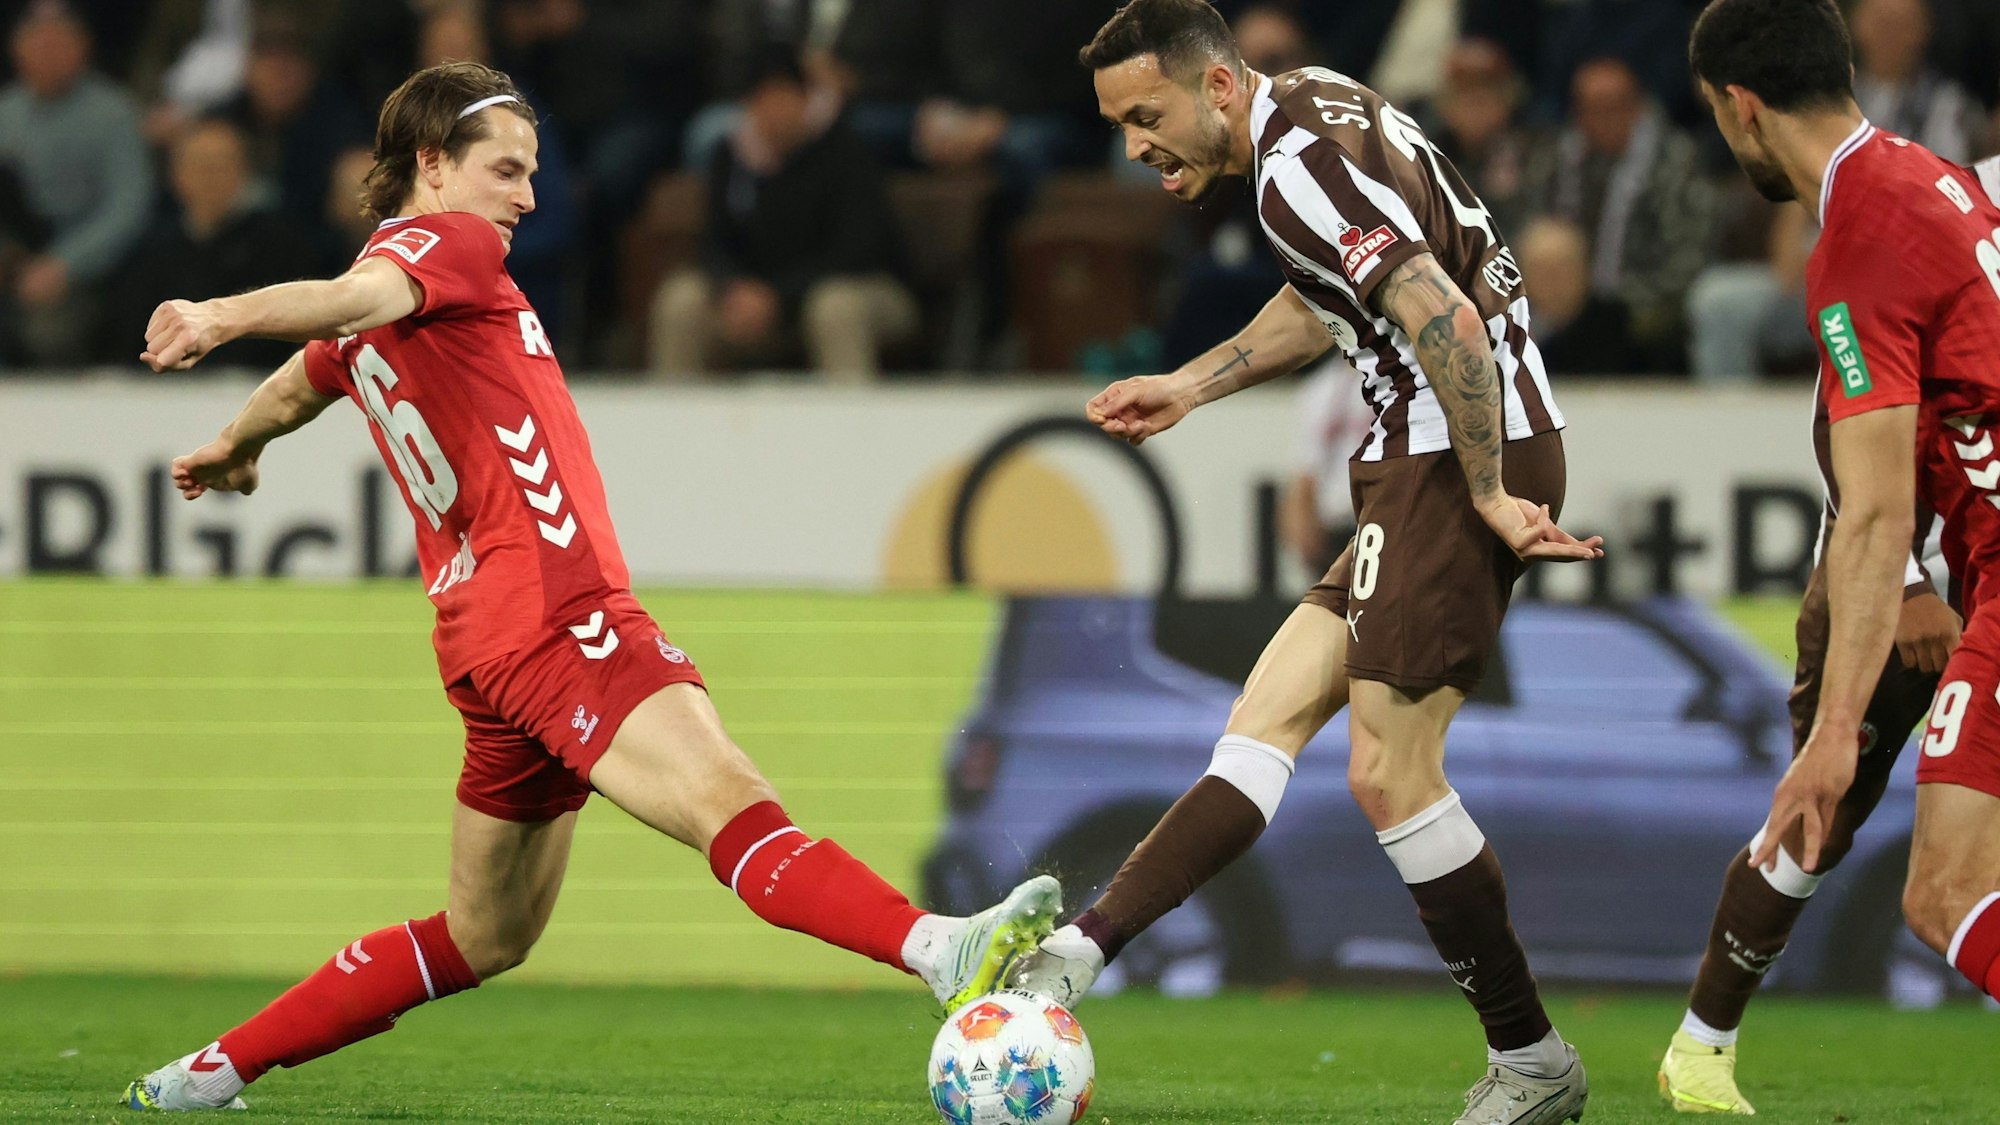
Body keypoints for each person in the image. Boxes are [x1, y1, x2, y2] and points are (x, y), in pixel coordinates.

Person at [119, 60, 1059, 1113]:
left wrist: (235, 442)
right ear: (432, 166)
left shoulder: (387, 310)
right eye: (505, 170)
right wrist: (217, 313)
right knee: (730, 805)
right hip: (559, 613)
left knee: (486, 934)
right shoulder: (446, 247)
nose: (525, 197)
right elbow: (345, 299)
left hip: (484, 646)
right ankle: (937, 946)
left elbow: (313, 368)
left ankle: (210, 1072)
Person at [1009, 4, 1604, 1124]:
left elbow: (1449, 325)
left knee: (1388, 773)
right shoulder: (1312, 109)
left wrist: (1483, 494)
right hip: (1416, 452)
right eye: (1116, 123)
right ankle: (1080, 957)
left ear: (1218, 89)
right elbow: (1332, 290)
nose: (1134, 145)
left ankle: (1530, 1063)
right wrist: (1191, 383)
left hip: (1450, 448)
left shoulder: (1290, 175)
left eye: (1148, 115)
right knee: (1262, 723)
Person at [1661, 0, 2000, 1113]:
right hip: (1930, 562)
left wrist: (1841, 725)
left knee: (1925, 875)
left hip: (1963, 564)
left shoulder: (1860, 232)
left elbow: (1870, 508)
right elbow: (1854, 438)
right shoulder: (1935, 177)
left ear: (1737, 108)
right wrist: (1902, 579)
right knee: (1833, 822)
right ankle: (1701, 1048)